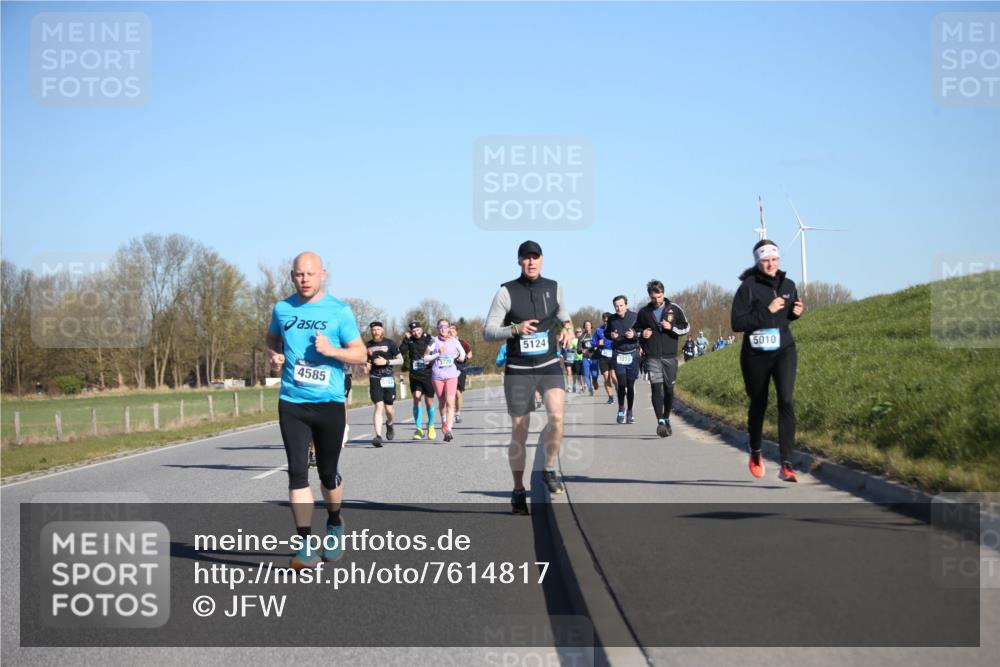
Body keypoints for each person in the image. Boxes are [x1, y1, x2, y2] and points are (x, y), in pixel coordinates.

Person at [265, 251, 367, 569]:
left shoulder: (339, 311)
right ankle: (305, 545)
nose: (304, 279)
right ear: (292, 276)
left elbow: (360, 354)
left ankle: (334, 522)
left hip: (329, 404)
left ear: (322, 274)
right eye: (299, 274)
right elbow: (271, 338)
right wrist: (274, 355)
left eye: (310, 274)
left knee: (327, 474)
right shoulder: (282, 309)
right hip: (292, 402)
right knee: (297, 472)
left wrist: (332, 350)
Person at [484, 240, 573, 514]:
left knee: (557, 416)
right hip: (519, 370)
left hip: (548, 365)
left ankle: (549, 468)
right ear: (519, 261)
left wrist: (568, 329)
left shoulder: (554, 287)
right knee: (520, 431)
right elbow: (488, 331)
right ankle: (518, 489)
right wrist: (515, 329)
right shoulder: (506, 292)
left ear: (542, 260)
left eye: (535, 257)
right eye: (526, 258)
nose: (531, 262)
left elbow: (564, 317)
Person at [731, 239, 805, 482]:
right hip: (755, 354)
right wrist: (767, 310)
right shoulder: (748, 288)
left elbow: (785, 317)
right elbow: (737, 323)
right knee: (759, 403)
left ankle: (787, 464)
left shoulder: (789, 285)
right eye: (766, 261)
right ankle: (755, 450)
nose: (771, 264)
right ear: (758, 262)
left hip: (784, 349)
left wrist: (795, 313)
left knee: (786, 399)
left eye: (774, 259)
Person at [636, 280, 690, 437]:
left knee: (669, 390)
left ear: (663, 293)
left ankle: (666, 417)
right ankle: (660, 421)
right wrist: (642, 334)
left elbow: (686, 328)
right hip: (652, 356)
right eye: (653, 298)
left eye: (659, 297)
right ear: (649, 296)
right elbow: (636, 330)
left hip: (670, 356)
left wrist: (671, 327)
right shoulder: (644, 312)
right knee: (656, 388)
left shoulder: (674, 308)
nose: (657, 300)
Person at [424, 319, 467, 442]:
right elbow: (425, 358)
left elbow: (463, 354)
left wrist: (460, 357)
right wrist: (437, 354)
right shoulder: (434, 341)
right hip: (437, 376)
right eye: (440, 326)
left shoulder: (454, 341)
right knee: (442, 402)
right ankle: (444, 421)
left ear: (449, 328)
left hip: (451, 375)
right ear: (438, 328)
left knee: (450, 402)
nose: (443, 329)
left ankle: (448, 430)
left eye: (445, 326)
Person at [365, 321, 403, 448]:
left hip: (388, 378)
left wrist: (386, 362)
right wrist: (366, 365)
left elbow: (401, 360)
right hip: (375, 378)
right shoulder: (368, 345)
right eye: (373, 330)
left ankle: (390, 423)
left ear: (382, 330)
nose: (376, 332)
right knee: (378, 406)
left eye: (378, 329)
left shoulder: (390, 343)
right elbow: (365, 361)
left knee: (389, 409)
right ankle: (378, 436)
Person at [399, 321, 437, 440]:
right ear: (410, 332)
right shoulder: (409, 340)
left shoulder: (428, 338)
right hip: (415, 375)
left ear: (421, 329)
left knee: (429, 402)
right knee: (416, 398)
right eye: (413, 331)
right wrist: (405, 339)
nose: (416, 333)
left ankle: (431, 426)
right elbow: (401, 352)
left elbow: (436, 350)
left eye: (418, 330)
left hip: (428, 374)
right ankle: (419, 429)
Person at [607, 295, 641, 424]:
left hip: (632, 354)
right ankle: (621, 408)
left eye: (621, 305)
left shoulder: (635, 317)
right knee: (621, 384)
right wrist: (611, 335)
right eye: (616, 306)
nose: (619, 308)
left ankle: (630, 411)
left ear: (626, 305)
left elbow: (642, 333)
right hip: (619, 354)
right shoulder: (612, 319)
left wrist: (634, 335)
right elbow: (606, 333)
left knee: (630, 385)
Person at [592, 312, 618, 404]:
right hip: (603, 357)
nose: (606, 322)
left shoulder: (616, 329)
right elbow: (593, 343)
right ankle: (610, 398)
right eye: (605, 320)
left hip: (614, 356)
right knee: (606, 378)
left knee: (614, 377)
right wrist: (598, 344)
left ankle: (618, 389)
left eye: (608, 320)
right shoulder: (599, 330)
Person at [449, 323, 473, 423]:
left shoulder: (462, 342)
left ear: (456, 332)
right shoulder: (444, 342)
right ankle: (449, 413)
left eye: (453, 331)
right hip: (447, 370)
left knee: (458, 394)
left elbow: (470, 353)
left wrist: (464, 357)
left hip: (459, 370)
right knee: (450, 394)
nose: (451, 333)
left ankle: (457, 414)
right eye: (449, 331)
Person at [578, 320, 598, 395]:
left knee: (594, 374)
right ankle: (590, 389)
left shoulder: (595, 335)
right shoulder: (581, 337)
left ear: (591, 326)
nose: (587, 326)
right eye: (586, 325)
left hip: (594, 357)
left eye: (588, 325)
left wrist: (597, 347)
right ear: (584, 326)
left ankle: (595, 381)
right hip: (585, 358)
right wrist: (581, 350)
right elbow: (578, 349)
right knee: (586, 375)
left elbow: (599, 344)